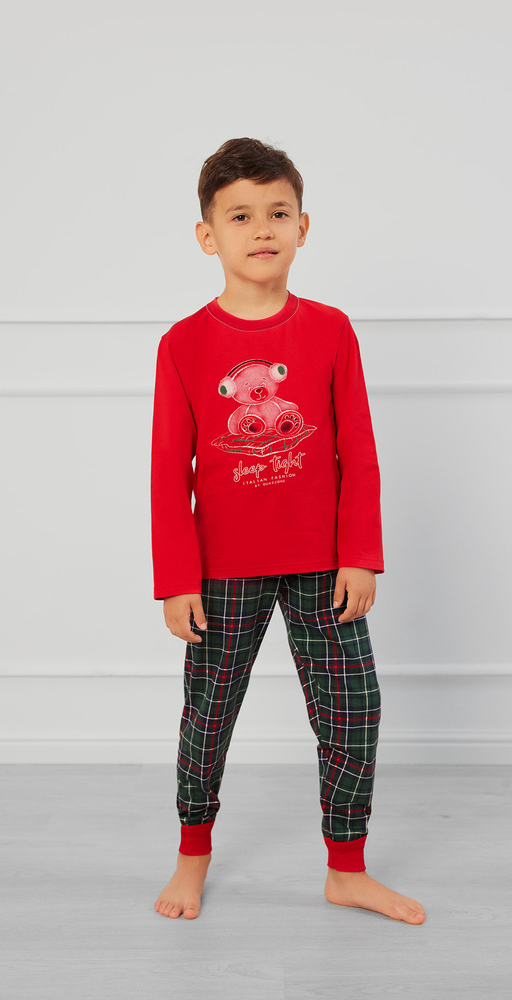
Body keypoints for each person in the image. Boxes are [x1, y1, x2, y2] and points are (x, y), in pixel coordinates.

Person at [150, 137, 425, 924]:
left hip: (323, 565)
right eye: (239, 215)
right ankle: (192, 855)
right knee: (209, 714)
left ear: (303, 227)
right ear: (208, 236)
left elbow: (357, 452)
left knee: (353, 708)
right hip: (220, 570)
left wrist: (359, 556)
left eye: (277, 212)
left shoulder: (331, 331)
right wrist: (176, 579)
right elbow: (168, 471)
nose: (261, 228)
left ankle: (346, 867)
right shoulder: (183, 344)